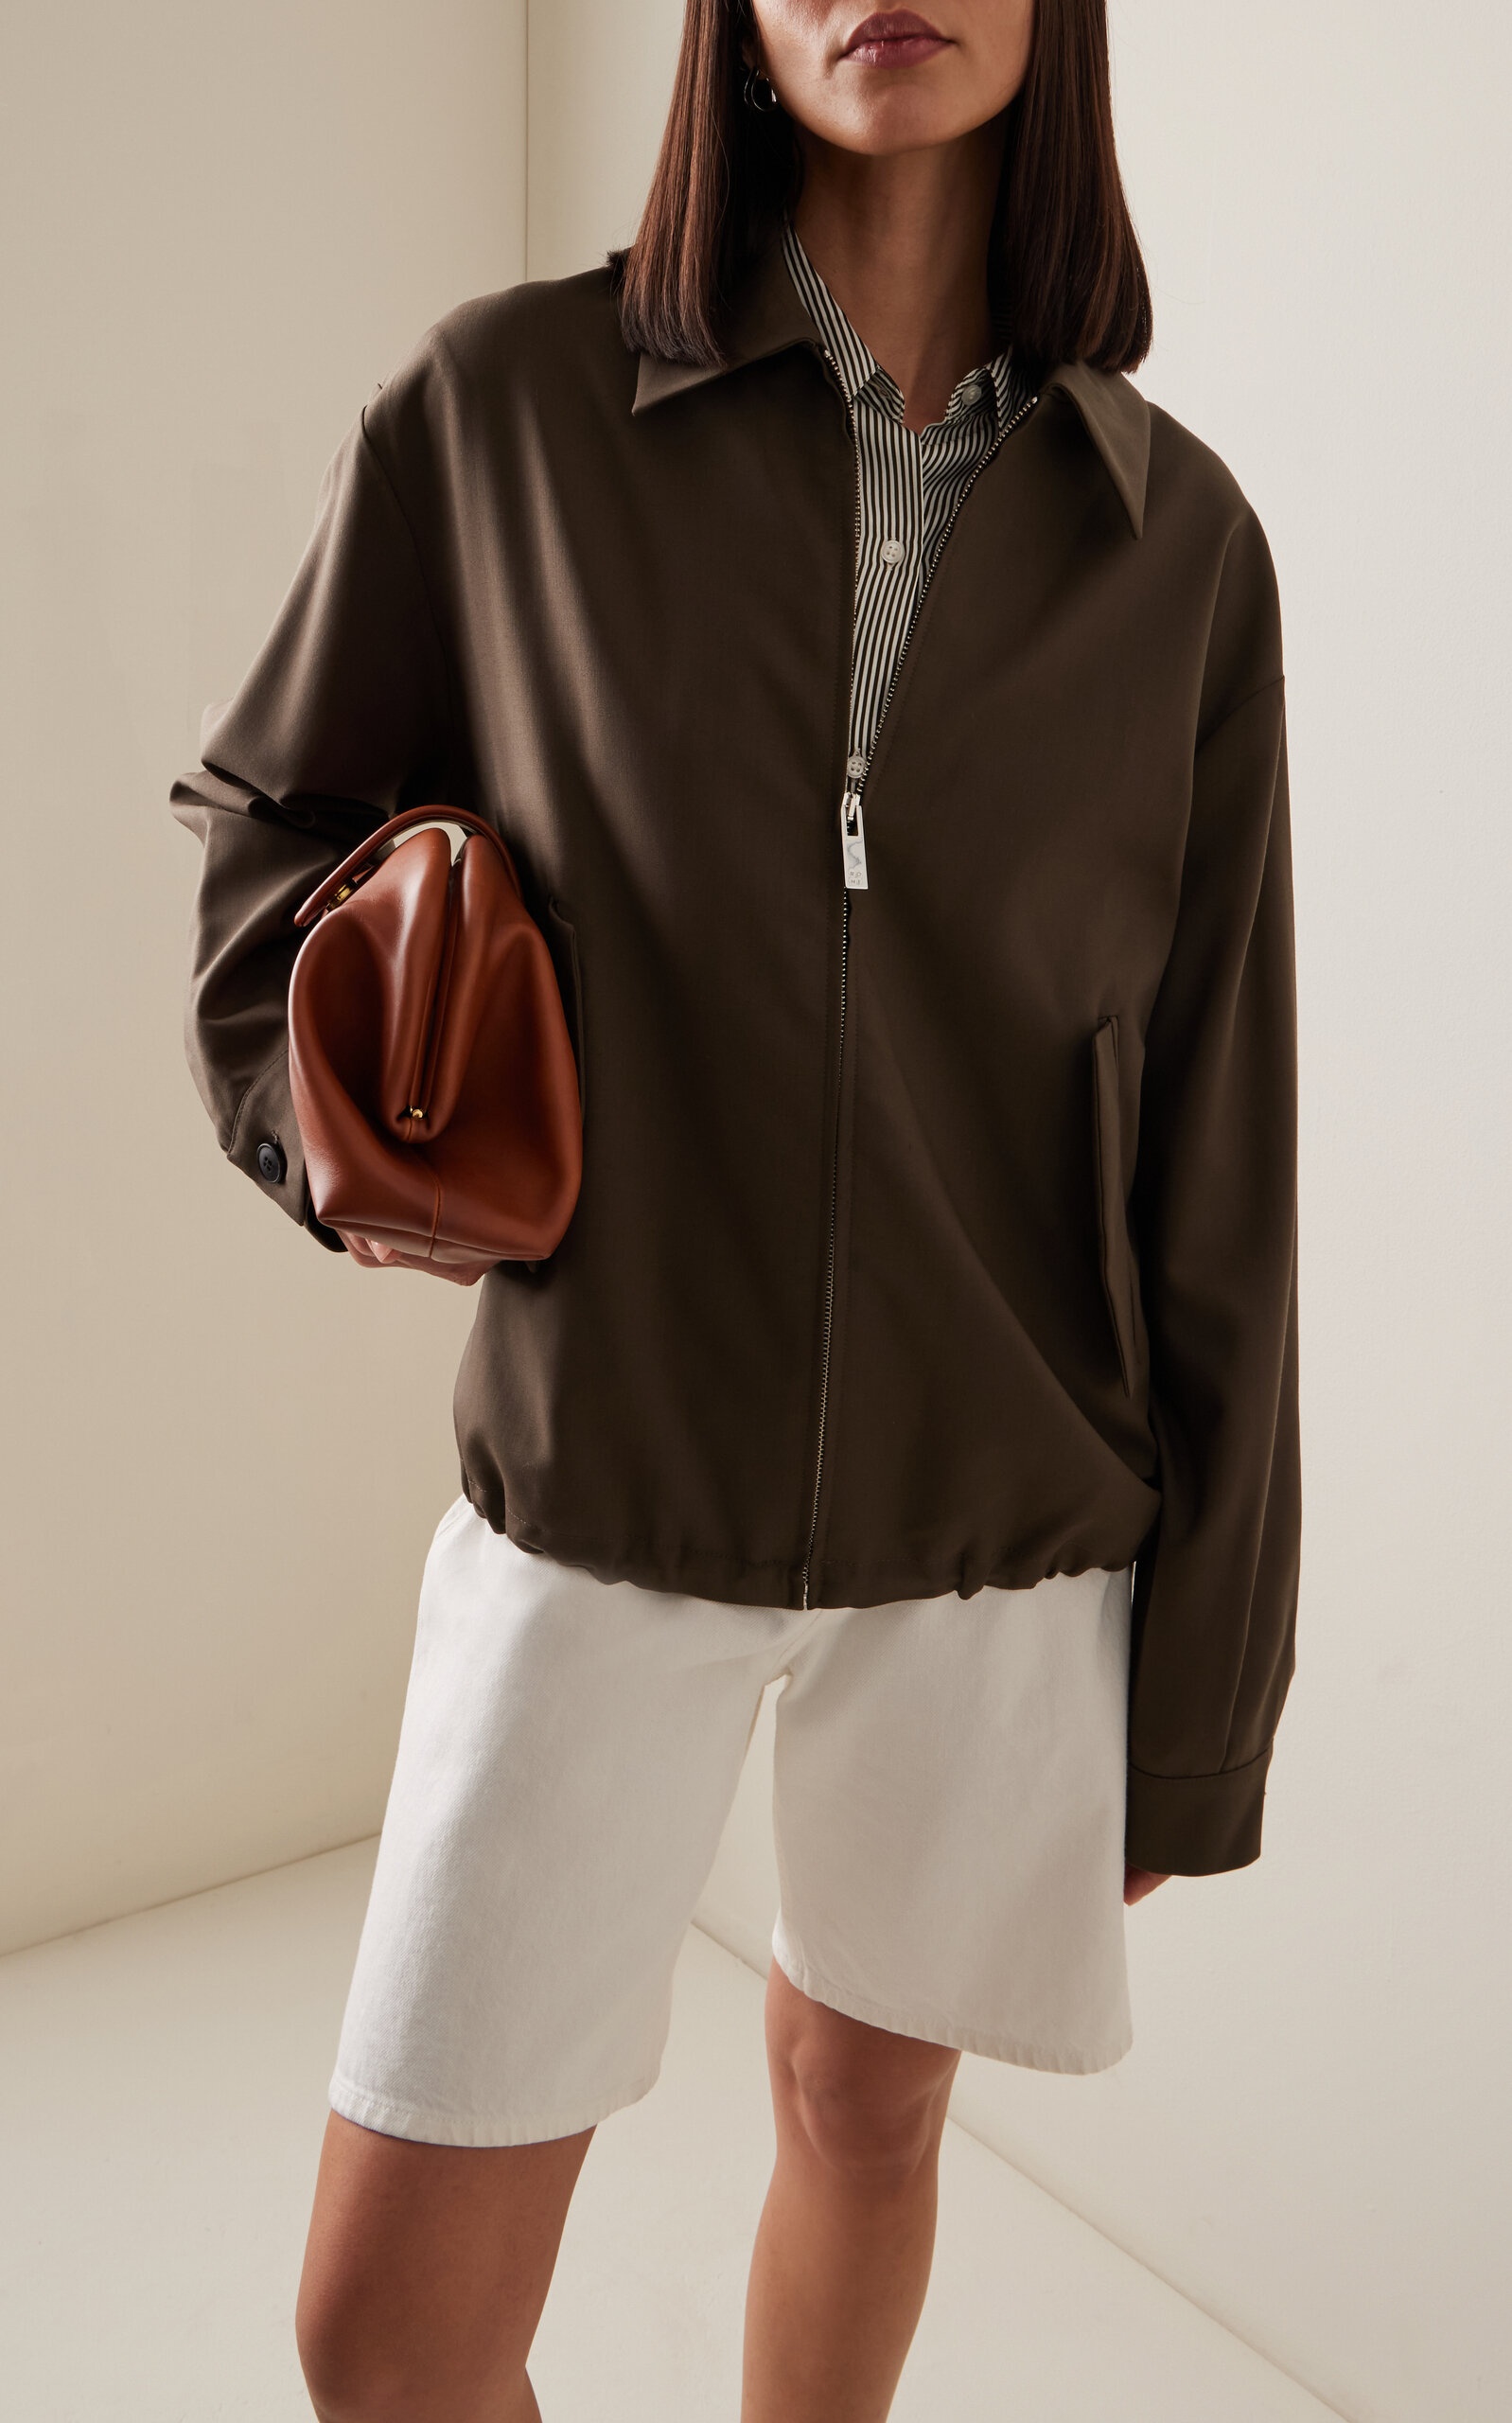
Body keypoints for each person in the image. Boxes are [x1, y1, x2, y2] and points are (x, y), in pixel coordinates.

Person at [172, 3, 1300, 2416]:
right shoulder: (502, 410)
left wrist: (1198, 1706)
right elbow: (268, 835)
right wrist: (339, 1132)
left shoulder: (1178, 544)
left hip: (1005, 1525)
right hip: (605, 1471)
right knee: (384, 2338)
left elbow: (1221, 1142)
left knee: (862, 2104)